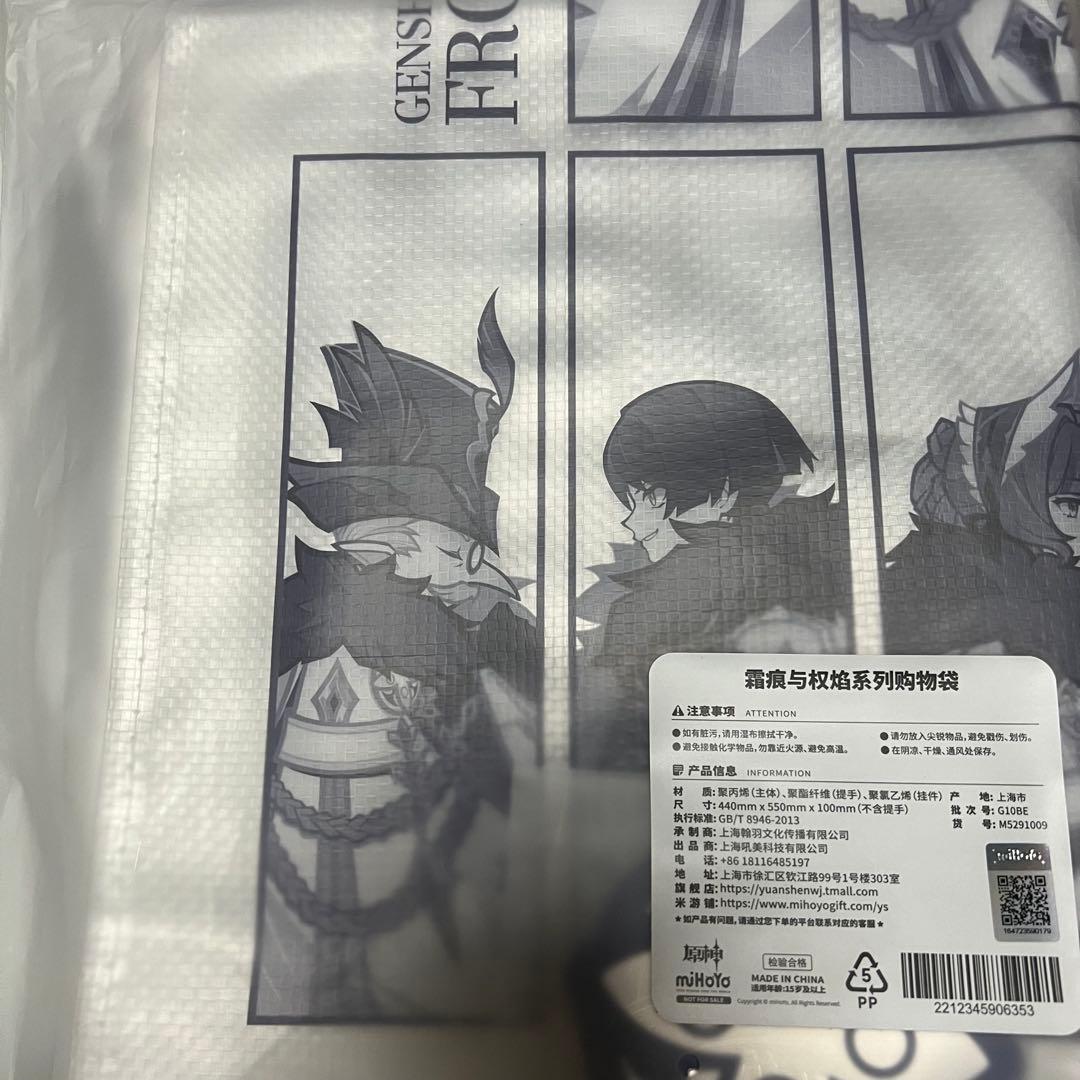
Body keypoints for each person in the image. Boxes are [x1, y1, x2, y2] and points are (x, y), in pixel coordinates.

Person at [251, 294, 540, 1020]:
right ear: (408, 539)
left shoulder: (463, 634)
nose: (480, 568)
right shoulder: (352, 622)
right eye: (464, 550)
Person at [575, 380, 851, 770]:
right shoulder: (811, 563)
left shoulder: (649, 608)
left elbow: (595, 748)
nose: (631, 522)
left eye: (645, 496)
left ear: (723, 494)